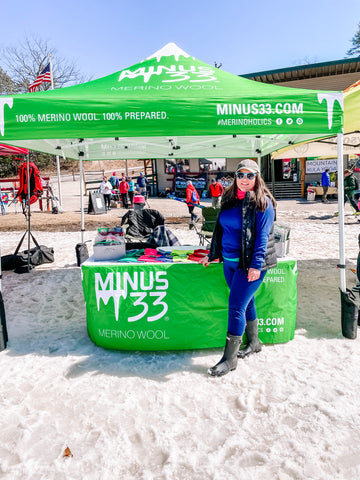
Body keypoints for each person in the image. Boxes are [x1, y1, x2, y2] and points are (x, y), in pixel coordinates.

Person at [199, 159, 277, 377]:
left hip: (250, 265)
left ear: (257, 177)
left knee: (235, 307)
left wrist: (256, 265)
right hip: (229, 262)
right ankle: (254, 342)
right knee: (246, 302)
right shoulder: (230, 198)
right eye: (240, 175)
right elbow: (221, 230)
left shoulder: (264, 202)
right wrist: (213, 254)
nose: (244, 179)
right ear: (235, 177)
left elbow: (262, 237)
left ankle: (229, 360)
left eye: (250, 175)